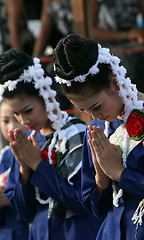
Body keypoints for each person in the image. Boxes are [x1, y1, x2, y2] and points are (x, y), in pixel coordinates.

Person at [53, 33, 144, 239]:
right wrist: (101, 181)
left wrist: (120, 173)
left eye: (96, 106)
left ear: (115, 82)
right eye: (83, 109)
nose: (94, 116)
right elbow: (95, 211)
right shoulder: (97, 129)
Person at [0, 49, 100, 239]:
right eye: (16, 113)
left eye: (28, 110)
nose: (23, 120)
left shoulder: (76, 132)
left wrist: (38, 165)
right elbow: (24, 213)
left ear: (46, 95)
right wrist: (24, 169)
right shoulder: (27, 140)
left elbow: (83, 201)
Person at [90, 0, 144, 95]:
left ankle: (143, 101)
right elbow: (92, 32)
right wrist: (126, 35)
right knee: (126, 60)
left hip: (134, 40)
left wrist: (142, 35)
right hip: (107, 43)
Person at [0, 100, 29, 240]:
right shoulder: (3, 156)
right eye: (5, 121)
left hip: (27, 230)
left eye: (17, 119)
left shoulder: (36, 151)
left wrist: (12, 199)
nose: (11, 127)